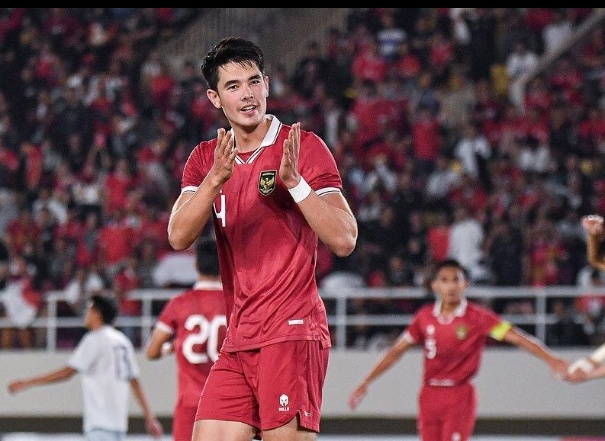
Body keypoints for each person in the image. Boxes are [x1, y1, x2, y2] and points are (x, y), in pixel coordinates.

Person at [167, 36, 358, 441]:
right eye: (233, 87)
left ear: (267, 85)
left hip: (291, 329)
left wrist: (297, 185)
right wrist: (214, 180)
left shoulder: (302, 147)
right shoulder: (207, 159)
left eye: (253, 82)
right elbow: (178, 235)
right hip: (240, 337)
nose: (247, 94)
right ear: (215, 99)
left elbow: (344, 239)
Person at [348, 258, 568, 441]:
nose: (451, 286)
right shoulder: (424, 317)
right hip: (429, 394)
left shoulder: (479, 318)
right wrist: (366, 381)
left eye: (457, 280)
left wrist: (551, 359)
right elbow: (396, 351)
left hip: (459, 394)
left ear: (466, 285)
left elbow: (517, 337)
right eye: (445, 280)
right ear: (435, 285)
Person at [7, 294, 164, 441]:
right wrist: (150, 418)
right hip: (119, 428)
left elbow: (67, 372)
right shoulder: (122, 341)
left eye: (89, 309)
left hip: (99, 426)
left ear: (97, 314)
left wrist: (27, 383)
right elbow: (134, 381)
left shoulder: (94, 339)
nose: (86, 313)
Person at [146, 236, 227, 441]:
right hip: (228, 403)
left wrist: (171, 348)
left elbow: (152, 351)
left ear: (196, 265)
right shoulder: (236, 302)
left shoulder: (180, 304)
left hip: (190, 403)